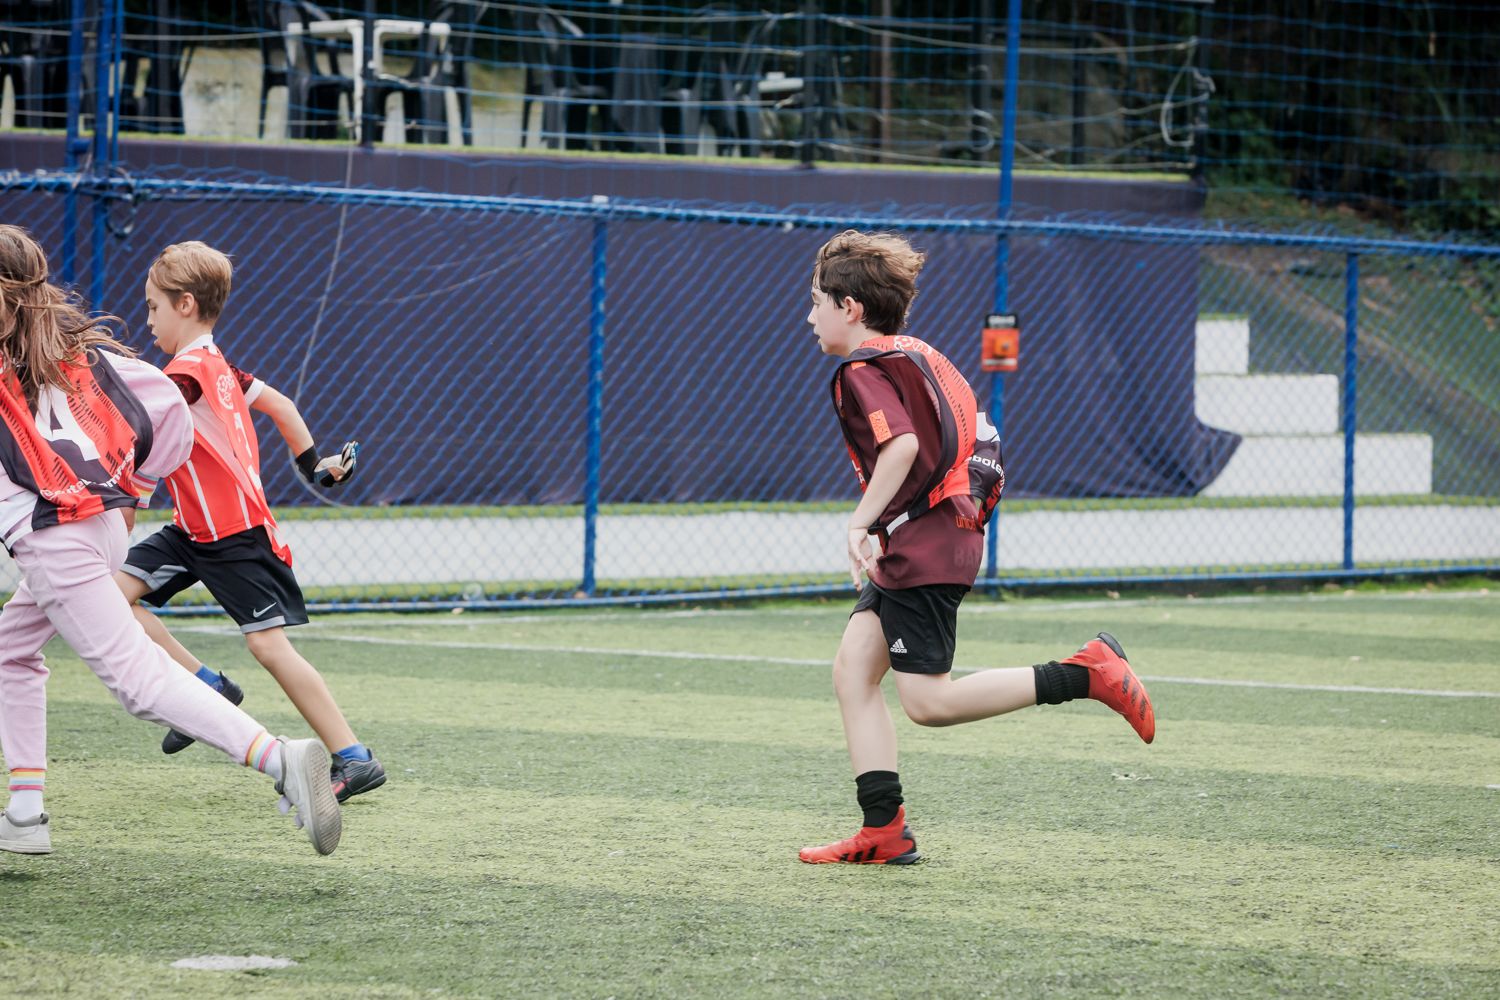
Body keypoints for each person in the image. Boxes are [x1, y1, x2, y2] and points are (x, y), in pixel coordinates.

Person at [798, 230, 1155, 865]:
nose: (810, 315)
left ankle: (1085, 674)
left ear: (850, 307)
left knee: (929, 703)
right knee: (854, 670)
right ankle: (883, 830)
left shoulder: (860, 369)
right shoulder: (922, 354)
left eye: (818, 300)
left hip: (924, 544)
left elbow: (901, 446)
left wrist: (861, 523)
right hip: (939, 534)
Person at [0, 224, 340, 856]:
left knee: (136, 680)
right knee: (9, 651)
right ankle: (23, 813)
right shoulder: (71, 347)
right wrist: (136, 486)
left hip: (56, 535)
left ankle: (281, 758)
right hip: (97, 521)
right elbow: (163, 406)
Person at [111, 241, 385, 804]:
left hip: (236, 536)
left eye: (153, 307)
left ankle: (354, 758)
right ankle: (205, 686)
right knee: (109, 596)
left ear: (185, 304)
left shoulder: (184, 376)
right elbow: (282, 405)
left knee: (270, 648)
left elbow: (145, 428)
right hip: (189, 534)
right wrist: (316, 467)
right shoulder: (220, 367)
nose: (148, 319)